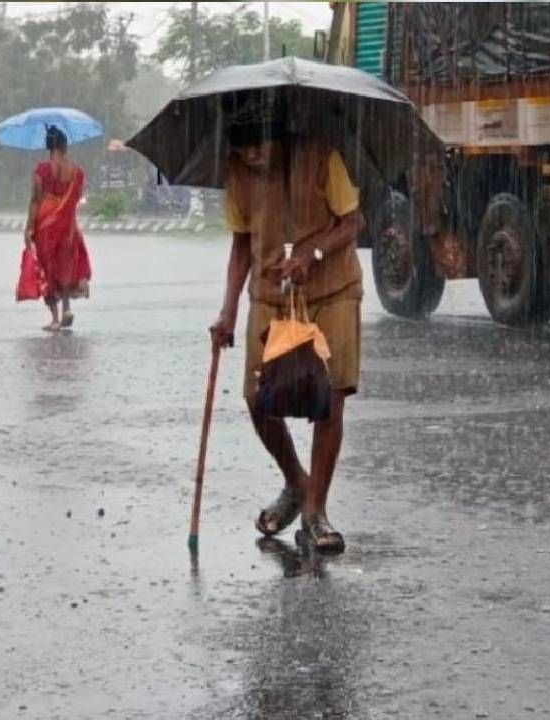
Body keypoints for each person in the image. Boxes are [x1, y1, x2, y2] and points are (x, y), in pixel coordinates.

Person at [208, 107, 366, 554]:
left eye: (259, 145)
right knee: (258, 398)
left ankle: (315, 511)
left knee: (329, 398)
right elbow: (241, 245)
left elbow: (354, 222)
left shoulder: (320, 157)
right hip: (270, 295)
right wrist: (227, 312)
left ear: (278, 135)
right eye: (242, 148)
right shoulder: (237, 175)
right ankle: (296, 482)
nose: (252, 155)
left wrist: (310, 256)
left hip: (332, 290)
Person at [25, 125, 91, 332]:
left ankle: (54, 319)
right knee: (66, 264)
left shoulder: (41, 170)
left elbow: (36, 199)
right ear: (64, 145)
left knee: (48, 269)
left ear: (48, 146)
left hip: (45, 223)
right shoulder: (77, 172)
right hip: (67, 224)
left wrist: (28, 227)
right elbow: (77, 198)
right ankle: (67, 308)